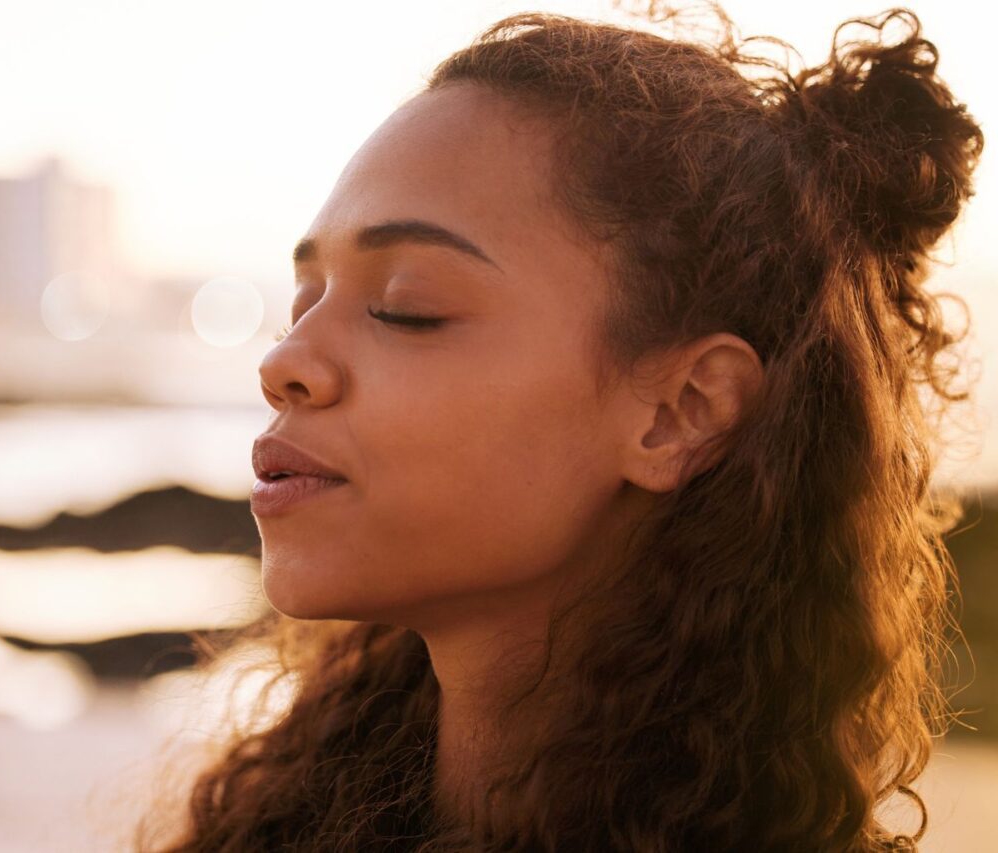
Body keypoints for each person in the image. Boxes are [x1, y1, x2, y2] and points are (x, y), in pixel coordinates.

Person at [132, 4, 984, 850]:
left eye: (405, 308)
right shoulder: (284, 822)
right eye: (304, 301)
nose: (286, 359)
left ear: (680, 413)